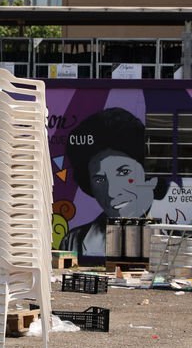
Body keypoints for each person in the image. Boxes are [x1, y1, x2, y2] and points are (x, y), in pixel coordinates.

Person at [61, 107, 164, 259]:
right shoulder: (73, 241)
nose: (112, 191)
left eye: (123, 172)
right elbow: (64, 271)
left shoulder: (174, 237)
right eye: (100, 179)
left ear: (149, 175)